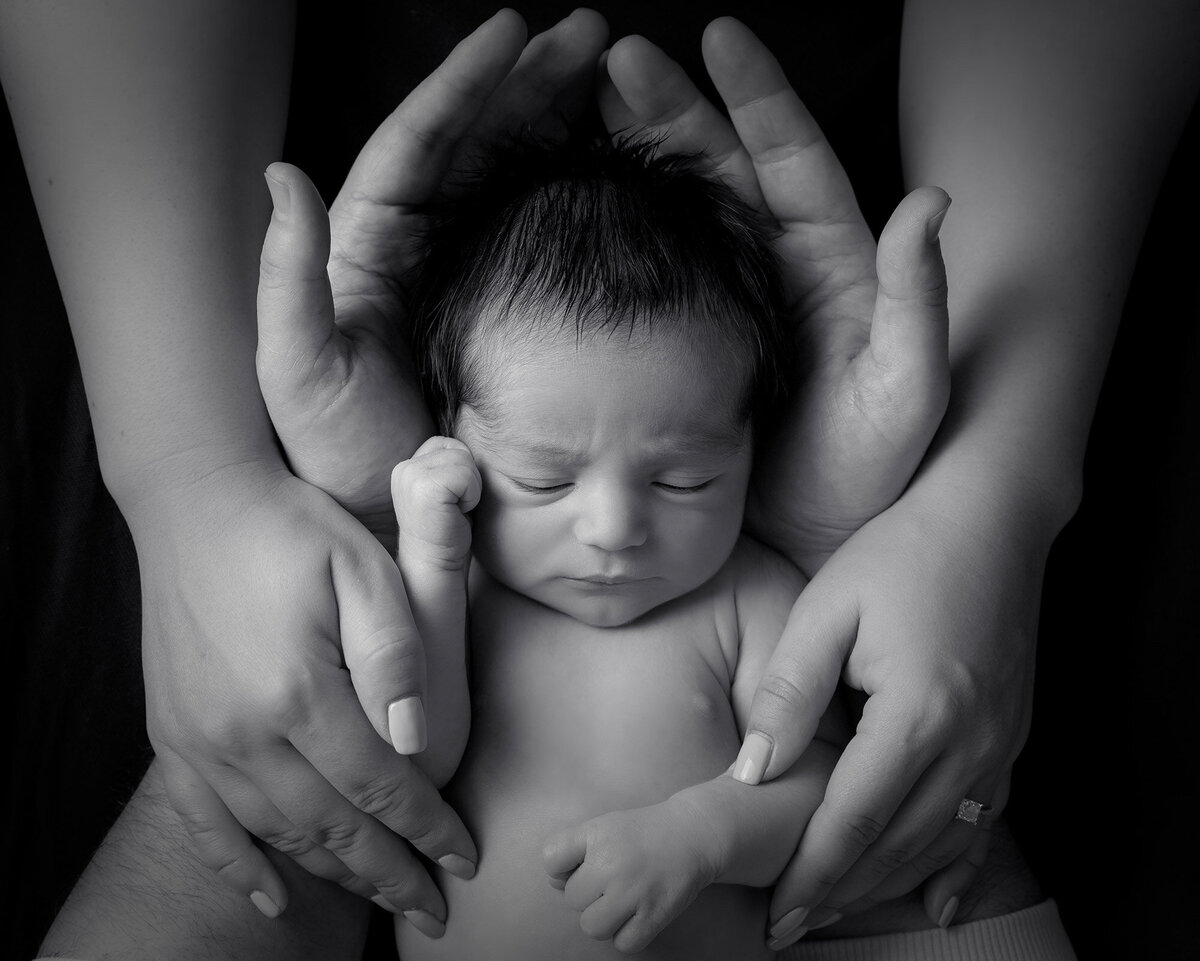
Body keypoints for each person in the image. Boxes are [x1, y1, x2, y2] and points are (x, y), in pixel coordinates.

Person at [8, 1, 1199, 956]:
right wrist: (393, 543)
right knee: (236, 820)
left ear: (757, 441)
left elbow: (824, 797)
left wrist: (705, 829)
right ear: (455, 436)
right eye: (541, 477)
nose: (617, 527)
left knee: (923, 842)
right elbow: (411, 747)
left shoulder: (751, 596)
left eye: (686, 478)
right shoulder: (462, 586)